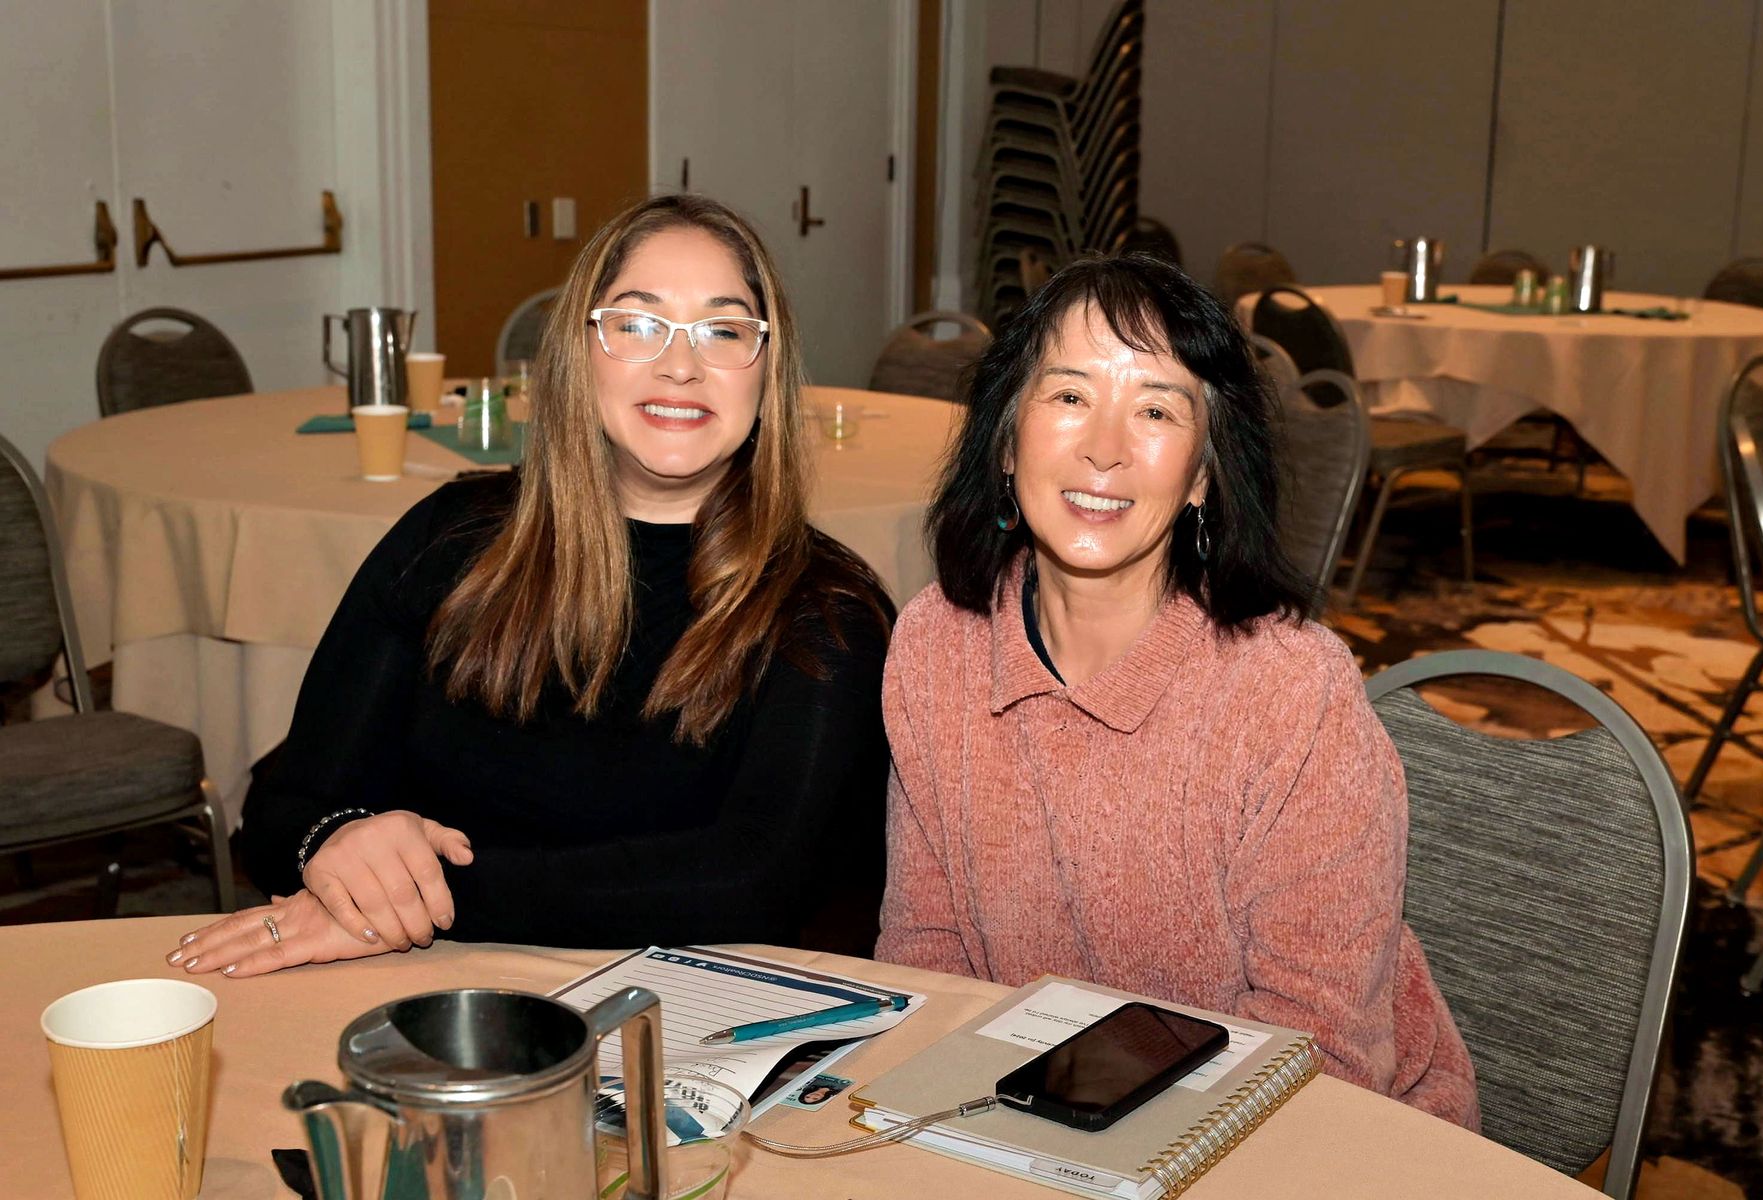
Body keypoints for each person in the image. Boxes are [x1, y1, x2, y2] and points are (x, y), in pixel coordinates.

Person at [168, 195, 892, 979]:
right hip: (419, 988)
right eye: (637, 323)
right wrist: (338, 841)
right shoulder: (451, 541)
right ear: (580, 352)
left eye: (723, 330)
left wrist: (414, 897)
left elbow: (752, 880)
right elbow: (284, 808)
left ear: (768, 367)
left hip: (676, 1010)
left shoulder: (824, 611)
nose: (680, 365)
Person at [874, 253, 1479, 1128]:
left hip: (1324, 1131)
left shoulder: (1290, 690)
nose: (1105, 449)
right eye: (1070, 395)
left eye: (1155, 410)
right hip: (1034, 1119)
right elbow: (925, 965)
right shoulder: (936, 645)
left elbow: (1321, 1054)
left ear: (1201, 474)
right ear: (1005, 440)